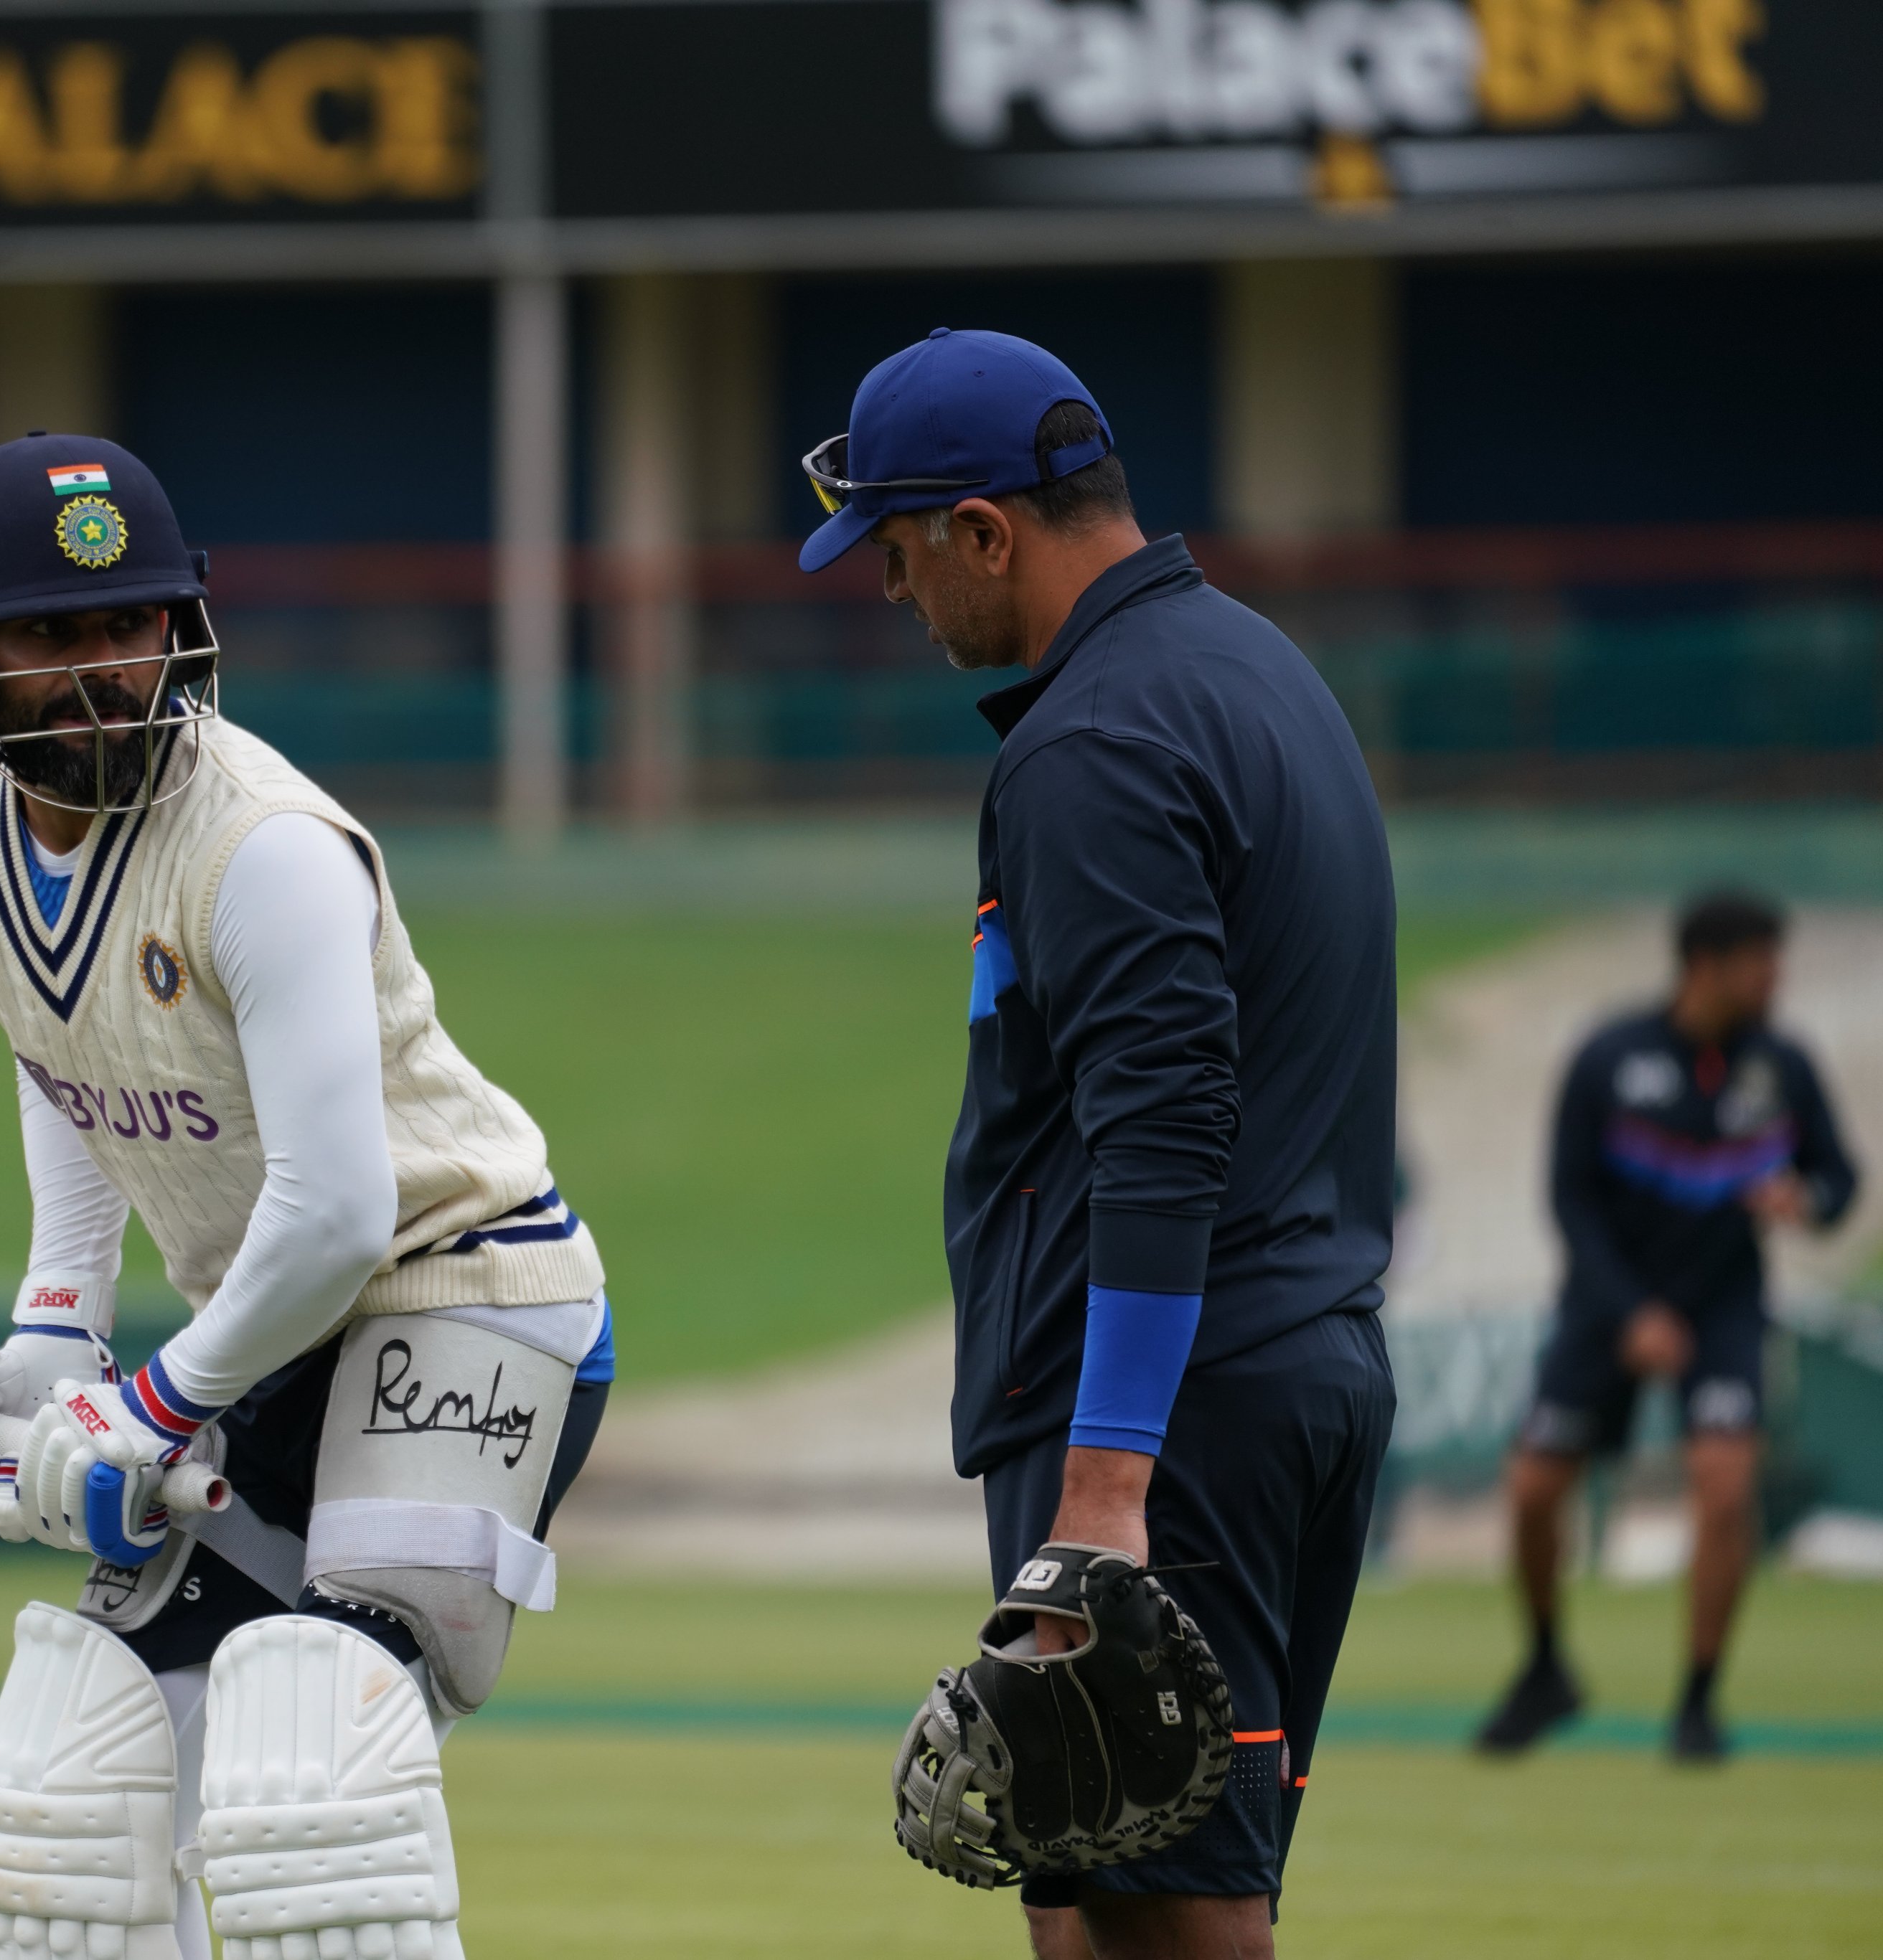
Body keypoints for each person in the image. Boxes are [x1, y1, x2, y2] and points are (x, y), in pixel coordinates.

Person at [0, 434, 614, 1960]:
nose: (103, 674)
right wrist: (54, 1331)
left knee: (310, 1772)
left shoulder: (262, 850)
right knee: (73, 1775)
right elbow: (64, 1049)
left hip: (462, 1282)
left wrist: (151, 1409)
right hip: (274, 1327)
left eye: (129, 624)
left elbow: (343, 1210)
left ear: (183, 621)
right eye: (51, 637)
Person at [803, 331, 1396, 1957]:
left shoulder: (1089, 745)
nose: (898, 593)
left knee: (1170, 1926)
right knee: (1098, 1906)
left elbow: (1164, 1117)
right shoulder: (1251, 669)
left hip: (1173, 1412)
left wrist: (1106, 1482)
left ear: (987, 531)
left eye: (907, 549)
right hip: (1283, 1365)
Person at [1480, 890, 1859, 1762]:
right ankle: (1544, 1666)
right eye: (1762, 961)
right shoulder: (1611, 1057)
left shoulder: (1783, 1065)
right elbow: (1569, 1198)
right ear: (1705, 965)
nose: (1776, 979)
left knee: (1724, 1486)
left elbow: (1840, 1178)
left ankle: (1697, 1698)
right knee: (1535, 1487)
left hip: (1724, 1304)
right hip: (1608, 1302)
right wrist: (1629, 1311)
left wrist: (1808, 1198)